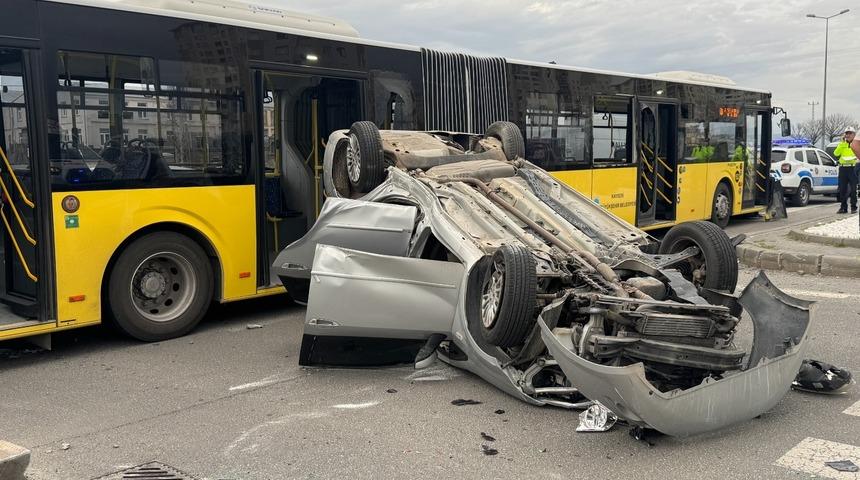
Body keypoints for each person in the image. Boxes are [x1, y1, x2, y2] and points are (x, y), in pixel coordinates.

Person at [833, 127, 859, 213]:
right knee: (842, 189)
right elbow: (836, 153)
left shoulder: (856, 144)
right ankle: (843, 207)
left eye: (850, 133)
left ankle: (853, 207)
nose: (848, 135)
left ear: (854, 135)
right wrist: (842, 144)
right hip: (843, 168)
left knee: (853, 189)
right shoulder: (842, 144)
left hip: (853, 168)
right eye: (846, 133)